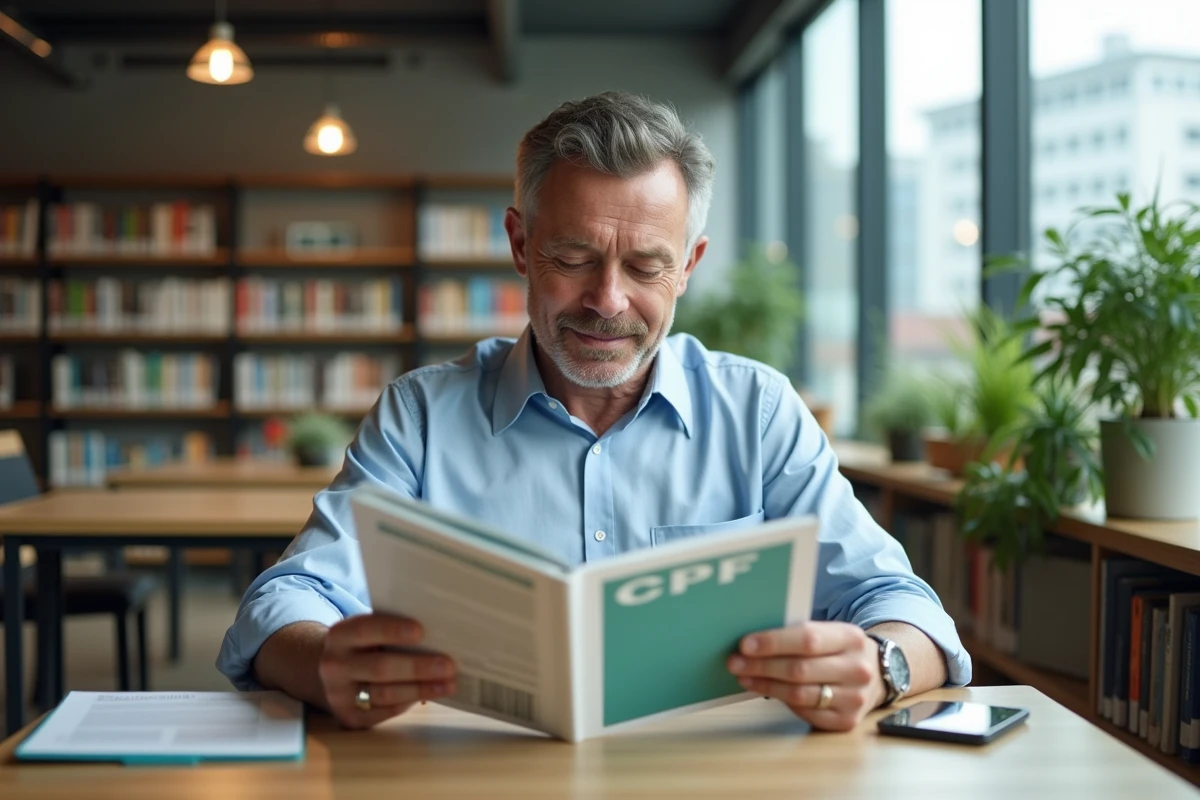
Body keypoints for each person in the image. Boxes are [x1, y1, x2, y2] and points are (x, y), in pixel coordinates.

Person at [218, 91, 970, 733]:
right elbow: (285, 598)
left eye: (646, 266)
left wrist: (882, 665)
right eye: (573, 258)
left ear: (689, 268)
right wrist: (322, 662)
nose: (607, 301)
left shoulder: (758, 411)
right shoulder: (421, 416)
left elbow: (900, 603)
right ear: (520, 244)